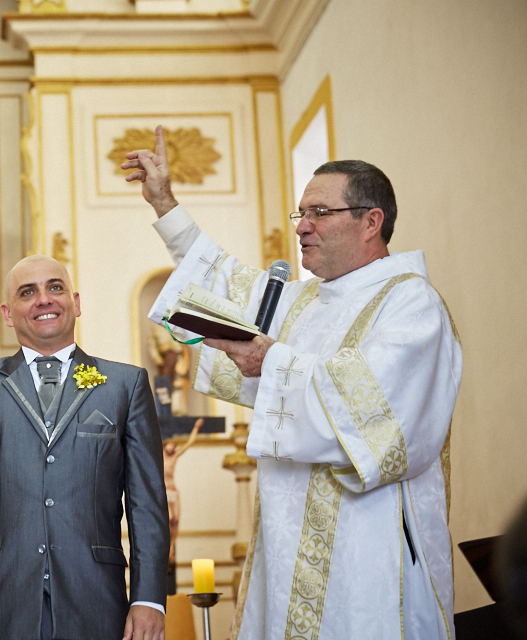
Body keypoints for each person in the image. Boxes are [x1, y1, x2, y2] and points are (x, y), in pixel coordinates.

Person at [123, 127, 462, 640]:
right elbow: (222, 282)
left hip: (368, 550)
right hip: (285, 549)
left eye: (319, 212)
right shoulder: (304, 302)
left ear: (371, 222)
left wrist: (272, 360)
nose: (303, 226)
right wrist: (165, 204)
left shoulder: (410, 303)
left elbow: (378, 416)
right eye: (300, 213)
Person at [0, 255, 170, 640]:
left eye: (55, 287)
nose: (44, 299)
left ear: (76, 302)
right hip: (2, 597)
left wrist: (149, 598)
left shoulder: (126, 385)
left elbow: (147, 504)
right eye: (28, 292)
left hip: (96, 597)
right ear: (8, 313)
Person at [163, 418, 202, 569]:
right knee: (168, 518)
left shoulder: (174, 456)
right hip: (164, 491)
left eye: (174, 446)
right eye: (169, 445)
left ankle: (171, 548)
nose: (172, 448)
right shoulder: (159, 455)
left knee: (176, 520)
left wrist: (196, 428)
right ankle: (167, 549)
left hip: (173, 491)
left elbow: (189, 443)